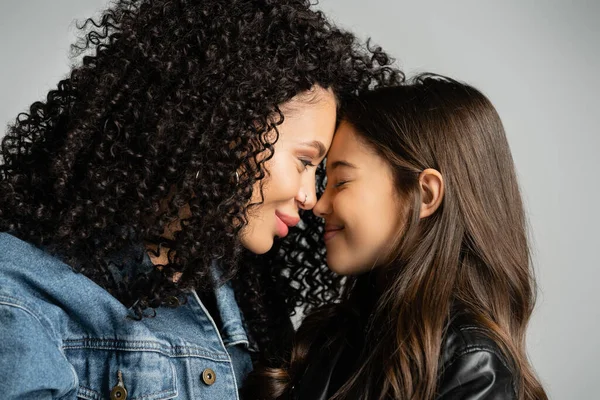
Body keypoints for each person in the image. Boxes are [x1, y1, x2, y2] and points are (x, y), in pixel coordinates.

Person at [0, 0, 401, 398]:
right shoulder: (21, 297)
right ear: (224, 125)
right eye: (304, 161)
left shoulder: (250, 302)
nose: (311, 197)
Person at [246, 74, 548, 399]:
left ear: (425, 195)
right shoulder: (332, 337)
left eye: (342, 181)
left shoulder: (469, 363)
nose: (318, 205)